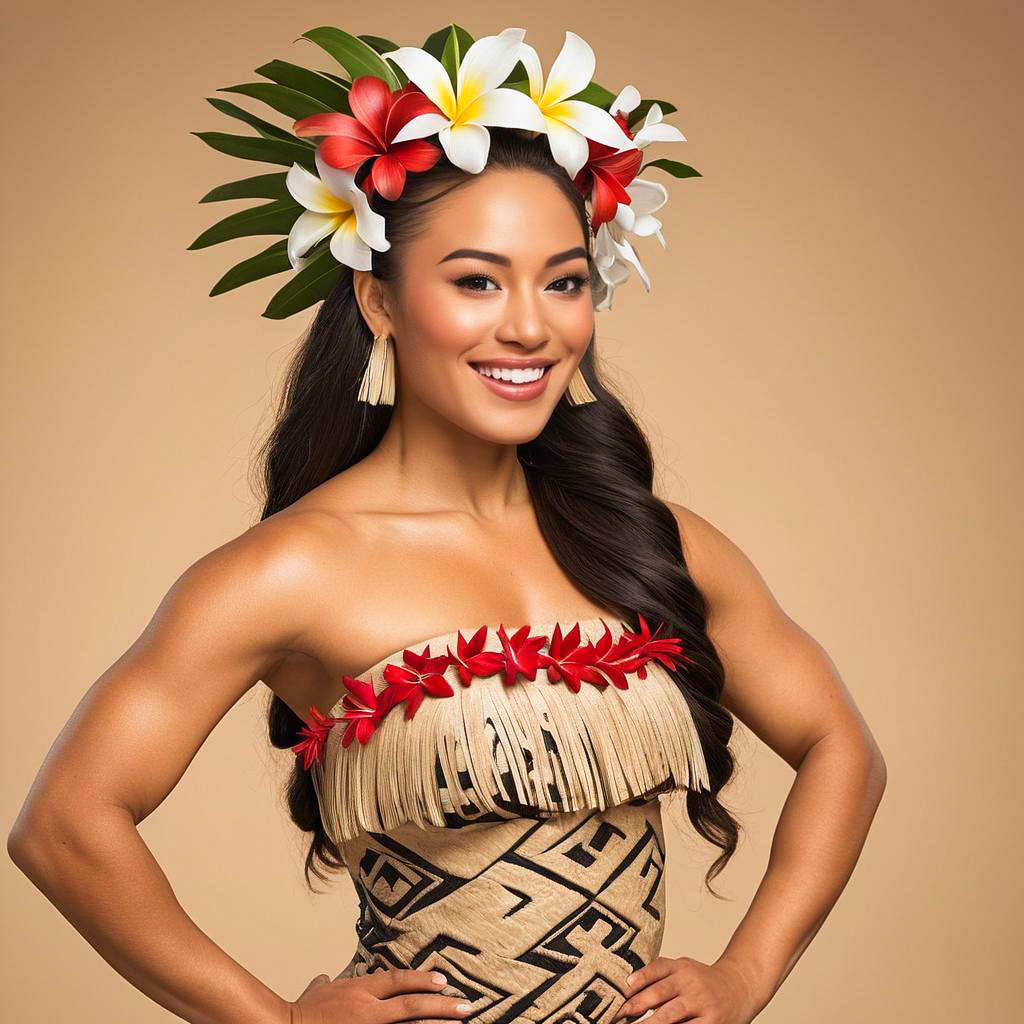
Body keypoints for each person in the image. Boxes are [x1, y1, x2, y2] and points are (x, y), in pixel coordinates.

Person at [7, 24, 887, 1024]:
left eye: (562, 280)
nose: (529, 325)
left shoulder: (651, 541)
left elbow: (838, 745)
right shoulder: (291, 569)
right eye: (476, 280)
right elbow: (66, 826)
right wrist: (277, 1021)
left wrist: (746, 973)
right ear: (379, 301)